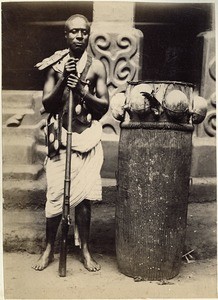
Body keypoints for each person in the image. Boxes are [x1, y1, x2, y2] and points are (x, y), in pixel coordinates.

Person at [32, 14, 109, 272]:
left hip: (86, 141)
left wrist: (83, 91)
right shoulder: (55, 66)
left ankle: (85, 250)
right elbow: (47, 104)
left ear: (88, 35)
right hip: (61, 142)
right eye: (74, 32)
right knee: (55, 197)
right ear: (66, 36)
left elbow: (104, 107)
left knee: (84, 199)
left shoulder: (97, 67)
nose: (79, 36)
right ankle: (49, 249)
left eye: (83, 32)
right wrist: (65, 79)